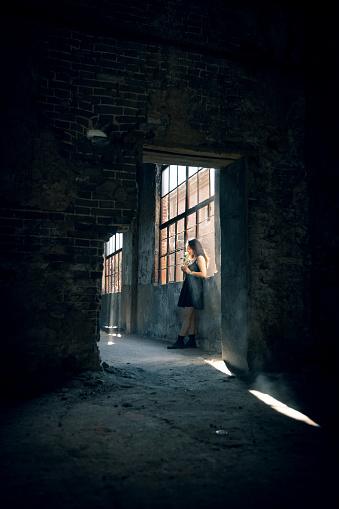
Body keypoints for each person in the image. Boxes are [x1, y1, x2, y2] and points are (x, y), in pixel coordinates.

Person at [167, 238, 209, 349]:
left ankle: (180, 340)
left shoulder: (200, 258)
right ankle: (191, 341)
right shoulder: (194, 258)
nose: (188, 251)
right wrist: (186, 270)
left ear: (194, 247)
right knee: (191, 316)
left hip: (194, 291)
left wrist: (189, 271)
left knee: (186, 316)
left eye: (189, 248)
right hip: (190, 290)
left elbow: (203, 274)